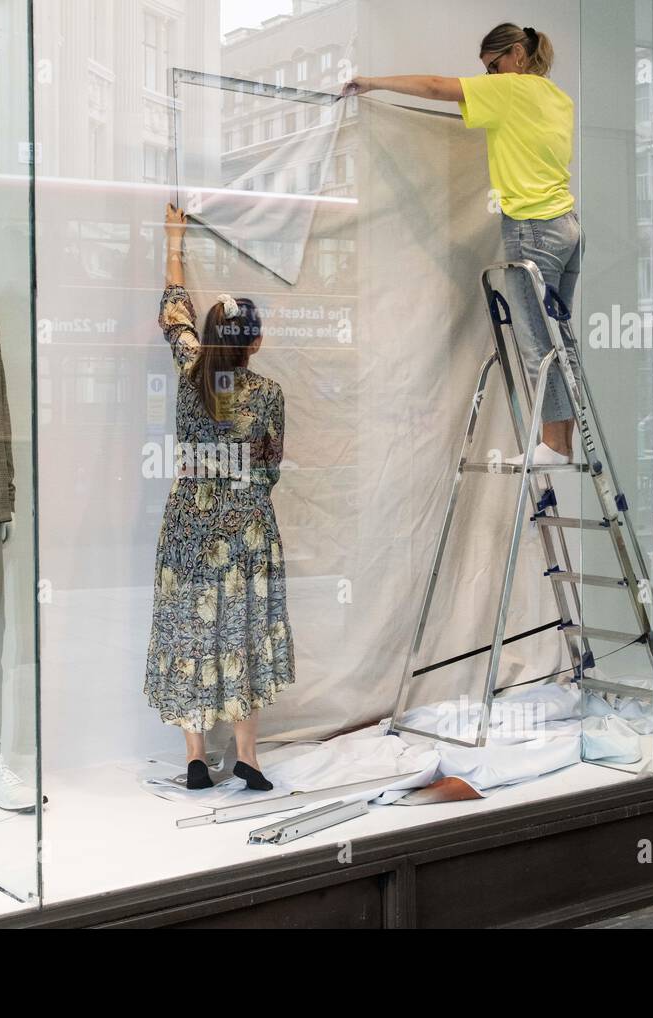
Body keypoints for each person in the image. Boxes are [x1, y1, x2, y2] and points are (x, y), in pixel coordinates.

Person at [344, 23, 580, 465]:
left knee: (535, 340)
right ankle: (561, 439)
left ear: (516, 56)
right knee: (559, 338)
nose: (490, 77)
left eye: (493, 66)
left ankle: (554, 444)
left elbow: (436, 86)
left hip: (533, 227)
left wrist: (371, 82)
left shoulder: (511, 89)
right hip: (567, 226)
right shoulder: (558, 97)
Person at [145, 203, 296, 792]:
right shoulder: (268, 395)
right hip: (246, 529)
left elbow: (172, 310)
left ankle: (192, 759)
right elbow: (269, 470)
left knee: (190, 629)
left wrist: (173, 242)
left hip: (189, 522)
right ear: (255, 343)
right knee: (243, 629)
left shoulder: (190, 371)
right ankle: (248, 755)